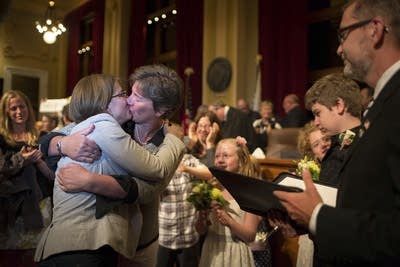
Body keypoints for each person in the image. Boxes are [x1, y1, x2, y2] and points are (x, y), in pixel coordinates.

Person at [273, 0, 400, 265]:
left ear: (374, 30)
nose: (338, 48)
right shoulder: (383, 102)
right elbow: (372, 205)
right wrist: (309, 222)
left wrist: (319, 217)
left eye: (343, 34)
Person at [37, 64, 185, 267]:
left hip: (141, 242)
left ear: (160, 110)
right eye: (129, 92)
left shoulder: (166, 142)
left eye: (138, 98)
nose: (129, 101)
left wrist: (92, 181)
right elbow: (48, 140)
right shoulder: (117, 121)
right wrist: (62, 145)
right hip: (100, 242)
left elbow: (150, 189)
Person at [0, 90, 54, 267]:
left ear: (28, 108)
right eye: (13, 108)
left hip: (40, 203)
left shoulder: (43, 137)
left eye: (22, 106)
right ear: (6, 112)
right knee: (9, 257)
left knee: (37, 257)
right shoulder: (1, 140)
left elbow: (52, 176)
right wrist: (21, 160)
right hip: (10, 207)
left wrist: (37, 160)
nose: (18, 112)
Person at [197, 137, 261, 267]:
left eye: (226, 156)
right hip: (211, 251)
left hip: (235, 253)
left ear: (241, 161)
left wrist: (229, 222)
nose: (220, 160)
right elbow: (200, 230)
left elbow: (250, 236)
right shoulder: (210, 189)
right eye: (217, 156)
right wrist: (202, 218)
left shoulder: (249, 193)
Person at [305, 73, 362, 186]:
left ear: (338, 105)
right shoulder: (336, 145)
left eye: (318, 113)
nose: (316, 122)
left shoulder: (365, 146)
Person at [156, 153, 211, 267]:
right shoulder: (157, 161)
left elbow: (208, 174)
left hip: (188, 234)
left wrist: (186, 169)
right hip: (164, 236)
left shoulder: (187, 159)